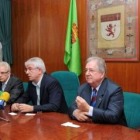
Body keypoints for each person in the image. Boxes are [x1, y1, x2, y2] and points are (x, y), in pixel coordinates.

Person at [68, 56, 127, 126]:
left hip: (112, 130)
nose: (87, 73)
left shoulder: (114, 90)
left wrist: (89, 109)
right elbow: (72, 106)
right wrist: (76, 112)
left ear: (102, 74)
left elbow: (113, 116)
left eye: (91, 70)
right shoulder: (83, 88)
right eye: (86, 70)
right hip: (90, 128)